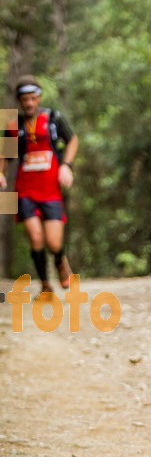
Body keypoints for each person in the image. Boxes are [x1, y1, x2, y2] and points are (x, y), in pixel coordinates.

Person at [0, 75, 78, 297]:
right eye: (25, 99)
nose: (29, 103)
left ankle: (60, 261)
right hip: (25, 190)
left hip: (51, 189)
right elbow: (5, 154)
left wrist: (67, 166)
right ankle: (45, 286)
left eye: (33, 98)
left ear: (39, 98)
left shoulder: (53, 117)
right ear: (19, 100)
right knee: (35, 237)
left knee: (54, 242)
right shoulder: (13, 124)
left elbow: (72, 140)